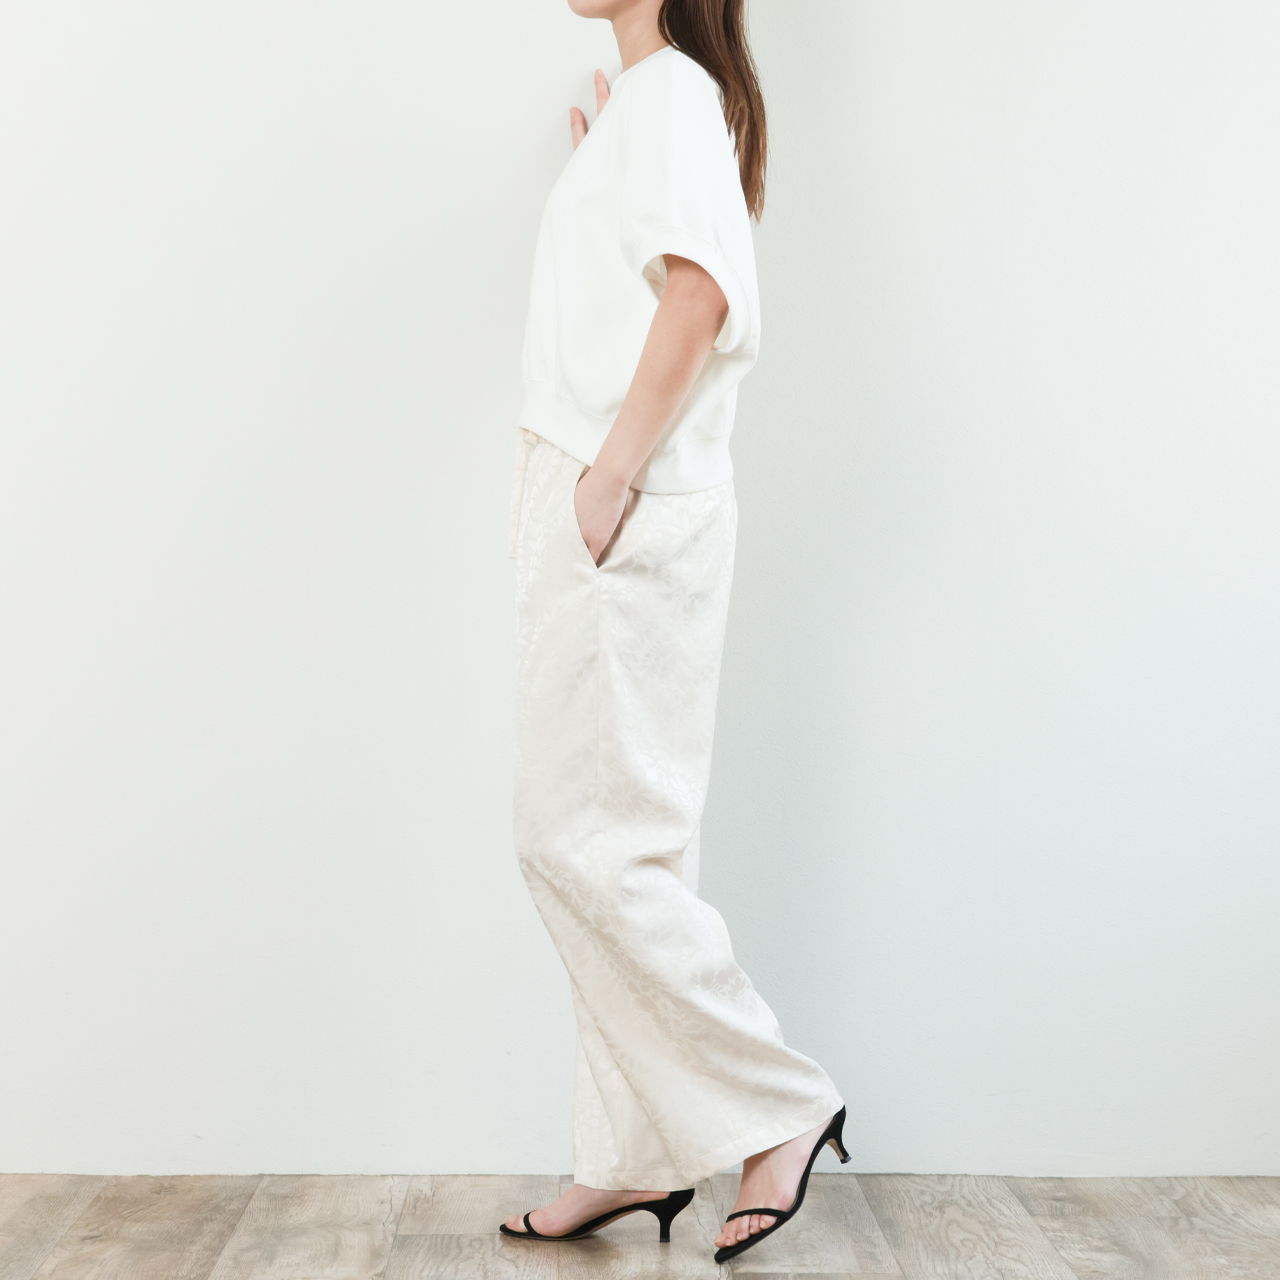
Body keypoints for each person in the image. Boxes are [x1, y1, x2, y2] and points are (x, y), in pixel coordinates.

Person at [502, 0, 848, 1264]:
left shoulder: (671, 100)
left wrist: (607, 475)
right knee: (618, 844)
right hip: (609, 489)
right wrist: (601, 171)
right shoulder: (649, 106)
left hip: (620, 496)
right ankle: (631, 1152)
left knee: (583, 845)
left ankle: (778, 1102)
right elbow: (652, 280)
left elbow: (697, 295)